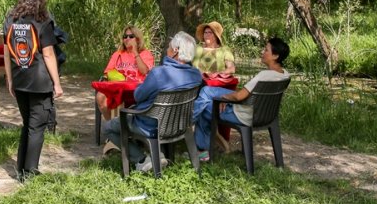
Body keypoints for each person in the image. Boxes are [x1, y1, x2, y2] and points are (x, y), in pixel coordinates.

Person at [102, 31, 202, 173]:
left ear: (175, 51)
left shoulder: (159, 73)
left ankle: (141, 160)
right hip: (180, 125)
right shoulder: (196, 75)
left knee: (108, 128)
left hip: (150, 124)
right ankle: (158, 155)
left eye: (168, 46)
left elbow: (138, 96)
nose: (166, 49)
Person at [3, 0, 64, 181]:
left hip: (20, 79)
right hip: (39, 82)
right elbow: (48, 54)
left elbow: (6, 52)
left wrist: (10, 80)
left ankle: (21, 169)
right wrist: (56, 83)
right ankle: (30, 173)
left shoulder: (10, 20)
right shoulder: (42, 20)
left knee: (28, 123)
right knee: (36, 127)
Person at [193, 37, 291, 162]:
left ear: (275, 56)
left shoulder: (264, 76)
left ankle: (199, 146)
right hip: (265, 114)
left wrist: (225, 98)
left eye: (266, 50)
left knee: (205, 107)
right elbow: (246, 94)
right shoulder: (285, 74)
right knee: (206, 91)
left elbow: (239, 97)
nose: (262, 52)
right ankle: (204, 141)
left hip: (245, 113)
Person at [95, 25, 155, 115]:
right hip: (118, 89)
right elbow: (108, 73)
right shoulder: (117, 54)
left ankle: (122, 125)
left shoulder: (146, 54)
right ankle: (112, 125)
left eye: (131, 36)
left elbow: (144, 71)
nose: (127, 39)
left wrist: (135, 52)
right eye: (125, 36)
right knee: (100, 96)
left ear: (137, 39)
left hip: (137, 90)